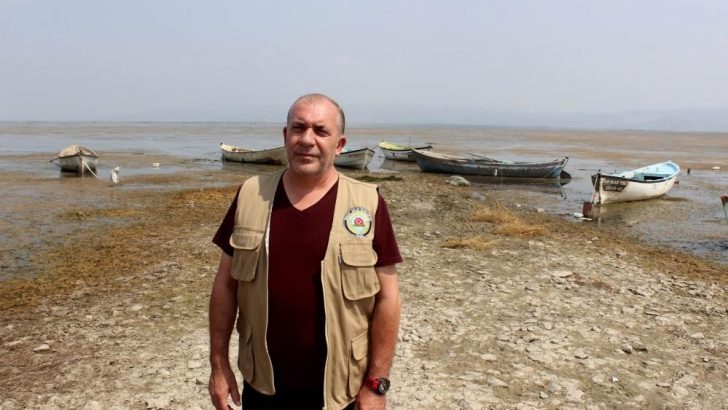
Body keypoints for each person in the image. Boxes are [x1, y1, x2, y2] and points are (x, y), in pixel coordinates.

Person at [208, 93, 402, 410]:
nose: (307, 140)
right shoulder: (251, 195)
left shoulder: (367, 203)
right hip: (263, 385)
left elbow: (388, 298)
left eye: (321, 131)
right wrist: (218, 365)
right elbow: (225, 286)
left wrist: (377, 384)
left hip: (342, 390)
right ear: (286, 136)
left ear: (339, 144)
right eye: (298, 128)